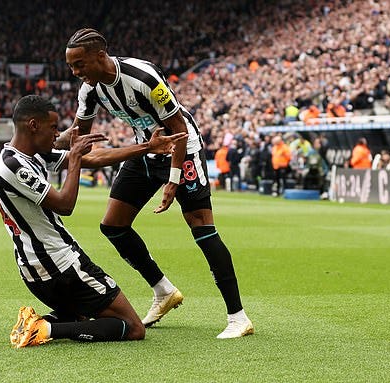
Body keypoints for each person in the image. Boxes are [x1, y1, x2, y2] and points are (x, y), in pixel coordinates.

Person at [59, 28, 253, 339]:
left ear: (100, 56)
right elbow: (77, 135)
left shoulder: (143, 77)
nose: (75, 72)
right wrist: (37, 144)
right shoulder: (90, 90)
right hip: (146, 149)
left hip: (181, 149)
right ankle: (163, 291)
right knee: (113, 226)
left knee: (202, 228)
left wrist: (173, 180)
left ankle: (238, 317)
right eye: (71, 66)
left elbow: (178, 127)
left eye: (79, 64)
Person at [0, 95, 187, 347]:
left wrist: (147, 148)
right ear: (33, 125)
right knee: (133, 327)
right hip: (60, 265)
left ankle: (41, 322)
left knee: (85, 315)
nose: (57, 135)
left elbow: (93, 160)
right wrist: (73, 160)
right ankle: (46, 328)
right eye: (53, 127)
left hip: (36, 270)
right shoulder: (14, 166)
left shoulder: (29, 156)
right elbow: (65, 204)